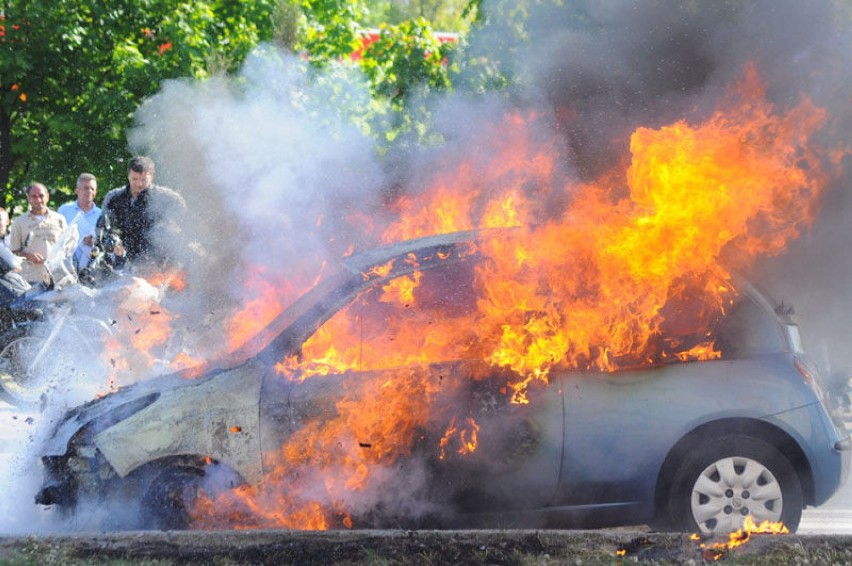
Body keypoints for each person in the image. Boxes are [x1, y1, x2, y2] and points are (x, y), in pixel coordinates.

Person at [100, 156, 187, 268]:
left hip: (159, 263)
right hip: (124, 262)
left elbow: (185, 226)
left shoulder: (168, 198)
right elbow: (104, 228)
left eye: (143, 180)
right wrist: (113, 240)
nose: (139, 184)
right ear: (128, 176)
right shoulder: (114, 198)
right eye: (134, 179)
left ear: (151, 177)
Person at [9, 183, 70, 284]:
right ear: (28, 198)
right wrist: (28, 256)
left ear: (47, 196)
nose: (38, 200)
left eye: (41, 196)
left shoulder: (60, 219)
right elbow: (13, 253)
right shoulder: (19, 222)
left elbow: (67, 248)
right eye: (34, 196)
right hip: (30, 279)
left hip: (56, 278)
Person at [58, 173, 101, 271]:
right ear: (77, 191)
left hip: (91, 270)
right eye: (86, 188)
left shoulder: (101, 215)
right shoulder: (64, 211)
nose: (89, 191)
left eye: (92, 189)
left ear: (96, 192)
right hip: (66, 268)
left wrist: (94, 242)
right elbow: (57, 238)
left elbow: (104, 243)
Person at [0, 207, 30, 308]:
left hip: (18, 287)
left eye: (0, 219)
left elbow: (17, 264)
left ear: (7, 221)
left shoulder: (13, 240)